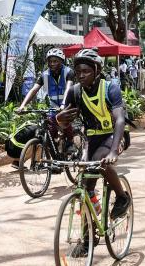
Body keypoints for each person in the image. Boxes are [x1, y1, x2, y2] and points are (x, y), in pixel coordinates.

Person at [56, 48, 131, 230]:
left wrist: (114, 150)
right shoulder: (74, 92)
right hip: (92, 139)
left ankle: (122, 197)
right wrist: (60, 120)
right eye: (78, 71)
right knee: (84, 185)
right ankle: (87, 237)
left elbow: (120, 119)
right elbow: (64, 124)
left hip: (114, 135)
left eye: (86, 71)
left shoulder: (110, 87)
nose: (81, 75)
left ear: (97, 71)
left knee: (101, 162)